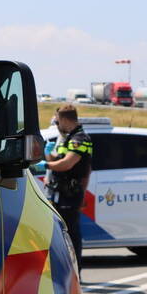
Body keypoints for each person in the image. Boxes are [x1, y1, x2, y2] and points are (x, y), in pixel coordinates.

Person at [44, 104, 93, 277]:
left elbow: (67, 164)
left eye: (58, 121)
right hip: (60, 193)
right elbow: (59, 159)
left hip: (70, 194)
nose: (57, 124)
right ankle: (64, 272)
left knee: (70, 234)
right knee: (60, 234)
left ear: (65, 119)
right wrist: (48, 155)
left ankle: (75, 274)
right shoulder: (68, 137)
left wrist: (45, 165)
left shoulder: (80, 138)